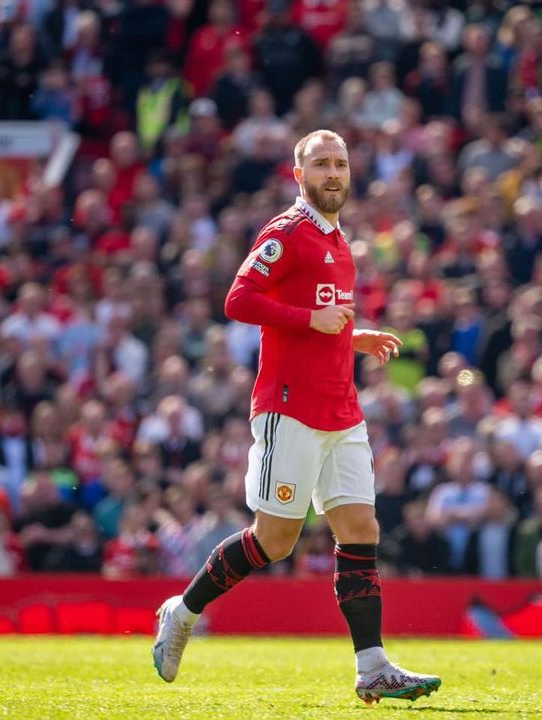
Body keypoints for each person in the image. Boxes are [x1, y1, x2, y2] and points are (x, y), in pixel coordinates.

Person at [152, 130, 441, 704]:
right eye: (321, 164)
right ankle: (182, 613)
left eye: (340, 163)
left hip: (342, 410)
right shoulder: (286, 232)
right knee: (276, 540)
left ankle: (372, 665)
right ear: (299, 174)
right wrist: (312, 321)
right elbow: (238, 299)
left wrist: (352, 337)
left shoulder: (338, 240)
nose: (333, 173)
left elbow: (323, 317)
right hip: (290, 409)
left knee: (360, 530)